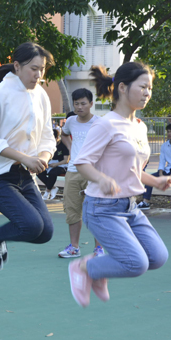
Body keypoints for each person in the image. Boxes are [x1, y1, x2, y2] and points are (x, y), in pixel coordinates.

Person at [67, 62, 171, 308]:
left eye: (150, 88)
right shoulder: (106, 124)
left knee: (157, 257)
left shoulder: (140, 126)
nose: (147, 93)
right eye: (143, 87)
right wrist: (101, 178)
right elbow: (82, 162)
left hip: (130, 207)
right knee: (136, 264)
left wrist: (155, 181)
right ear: (123, 88)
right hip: (101, 208)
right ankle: (83, 268)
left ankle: (99, 271)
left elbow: (132, 169)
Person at [0, 43, 57, 271]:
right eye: (33, 68)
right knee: (32, 225)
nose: (39, 75)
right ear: (17, 66)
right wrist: (24, 158)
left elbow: (48, 136)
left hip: (25, 175)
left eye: (42, 69)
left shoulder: (41, 95)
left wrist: (43, 157)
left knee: (45, 233)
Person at [58, 89, 103, 259]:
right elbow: (64, 135)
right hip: (73, 171)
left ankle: (99, 249)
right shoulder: (71, 121)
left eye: (83, 103)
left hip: (93, 172)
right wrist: (71, 149)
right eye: (76, 103)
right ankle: (74, 247)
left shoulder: (100, 123)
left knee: (96, 212)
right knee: (72, 210)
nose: (79, 107)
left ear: (91, 104)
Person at [138, 123, 171, 214]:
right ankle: (145, 202)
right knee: (150, 178)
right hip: (167, 170)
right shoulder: (164, 146)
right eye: (168, 132)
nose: (169, 134)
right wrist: (160, 172)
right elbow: (162, 160)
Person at [38, 127, 68, 200]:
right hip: (51, 164)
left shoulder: (63, 145)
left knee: (53, 173)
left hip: (62, 165)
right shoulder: (49, 145)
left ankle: (47, 192)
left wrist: (56, 164)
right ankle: (53, 187)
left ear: (57, 138)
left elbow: (66, 160)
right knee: (39, 171)